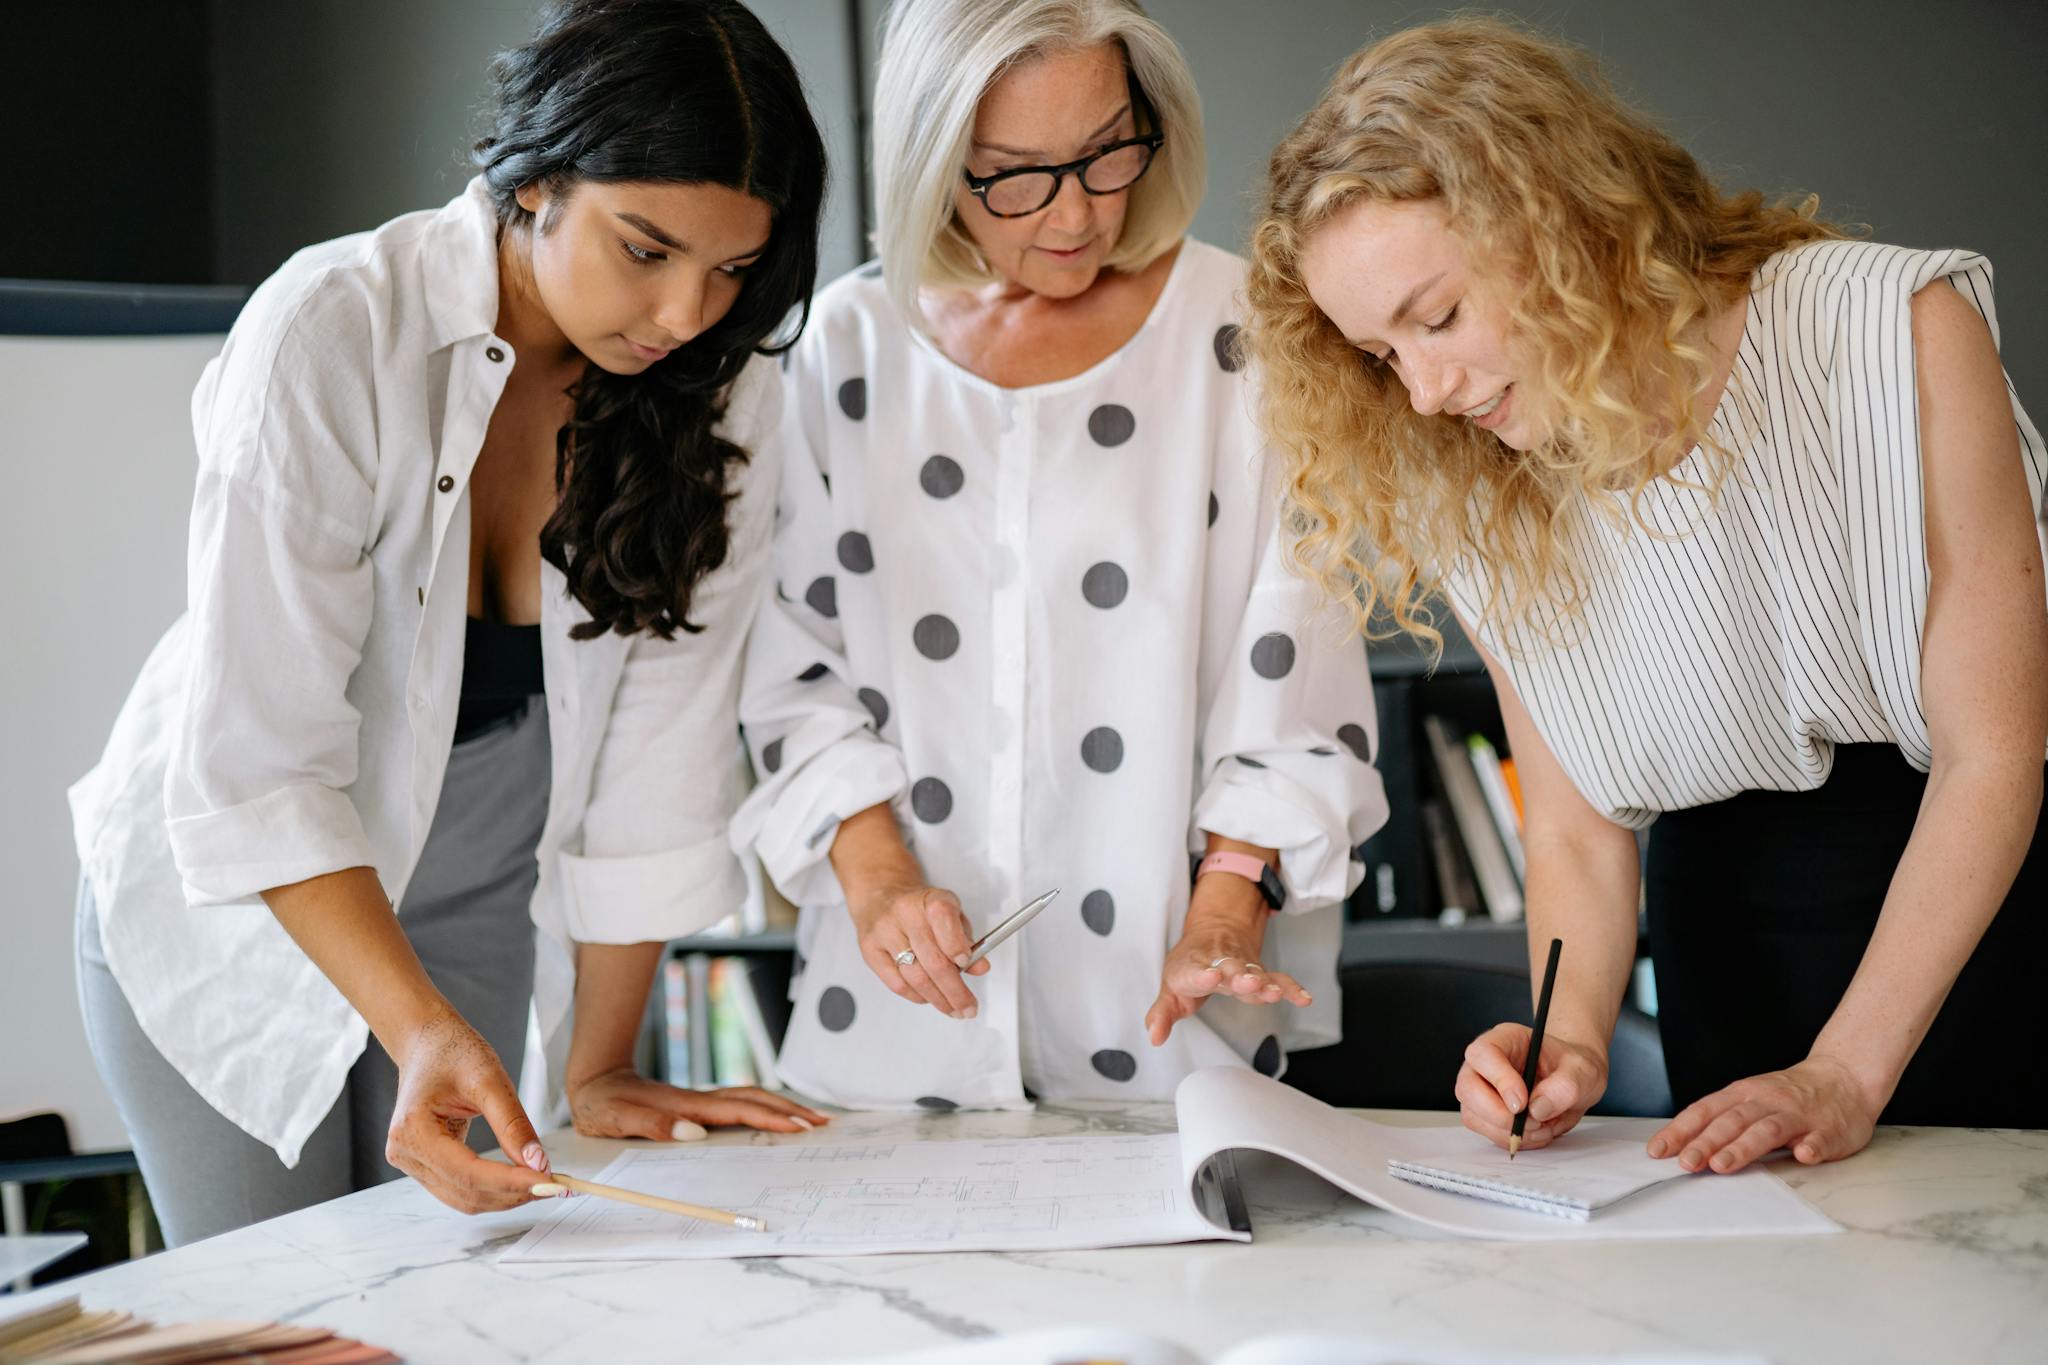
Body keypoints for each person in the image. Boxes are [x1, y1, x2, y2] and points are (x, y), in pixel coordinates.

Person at [68, 0, 831, 1246]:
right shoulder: (333, 329)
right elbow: (260, 763)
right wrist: (414, 1027)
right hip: (252, 906)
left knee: (457, 1299)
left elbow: (661, 752)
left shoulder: (723, 389)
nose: (689, 312)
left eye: (733, 268)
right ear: (535, 181)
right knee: (288, 1320)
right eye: (645, 249)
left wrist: (598, 1067)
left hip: (478, 889)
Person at [1245, 16, 2048, 1171]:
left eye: (1437, 319)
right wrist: (1563, 1042)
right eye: (1380, 355)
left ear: (1559, 217)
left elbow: (1992, 755)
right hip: (1724, 938)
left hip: (1983, 916)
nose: (1419, 394)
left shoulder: (1888, 328)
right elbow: (1573, 828)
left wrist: (1842, 1069)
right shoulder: (1470, 476)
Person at [730, 0, 1388, 1112]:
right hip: (891, 1036)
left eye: (1104, 153)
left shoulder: (1247, 333)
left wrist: (1226, 906)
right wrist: (881, 882)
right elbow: (788, 667)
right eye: (1015, 175)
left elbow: (1294, 662)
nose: (1077, 213)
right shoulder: (841, 348)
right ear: (936, 163)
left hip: (1168, 1029)